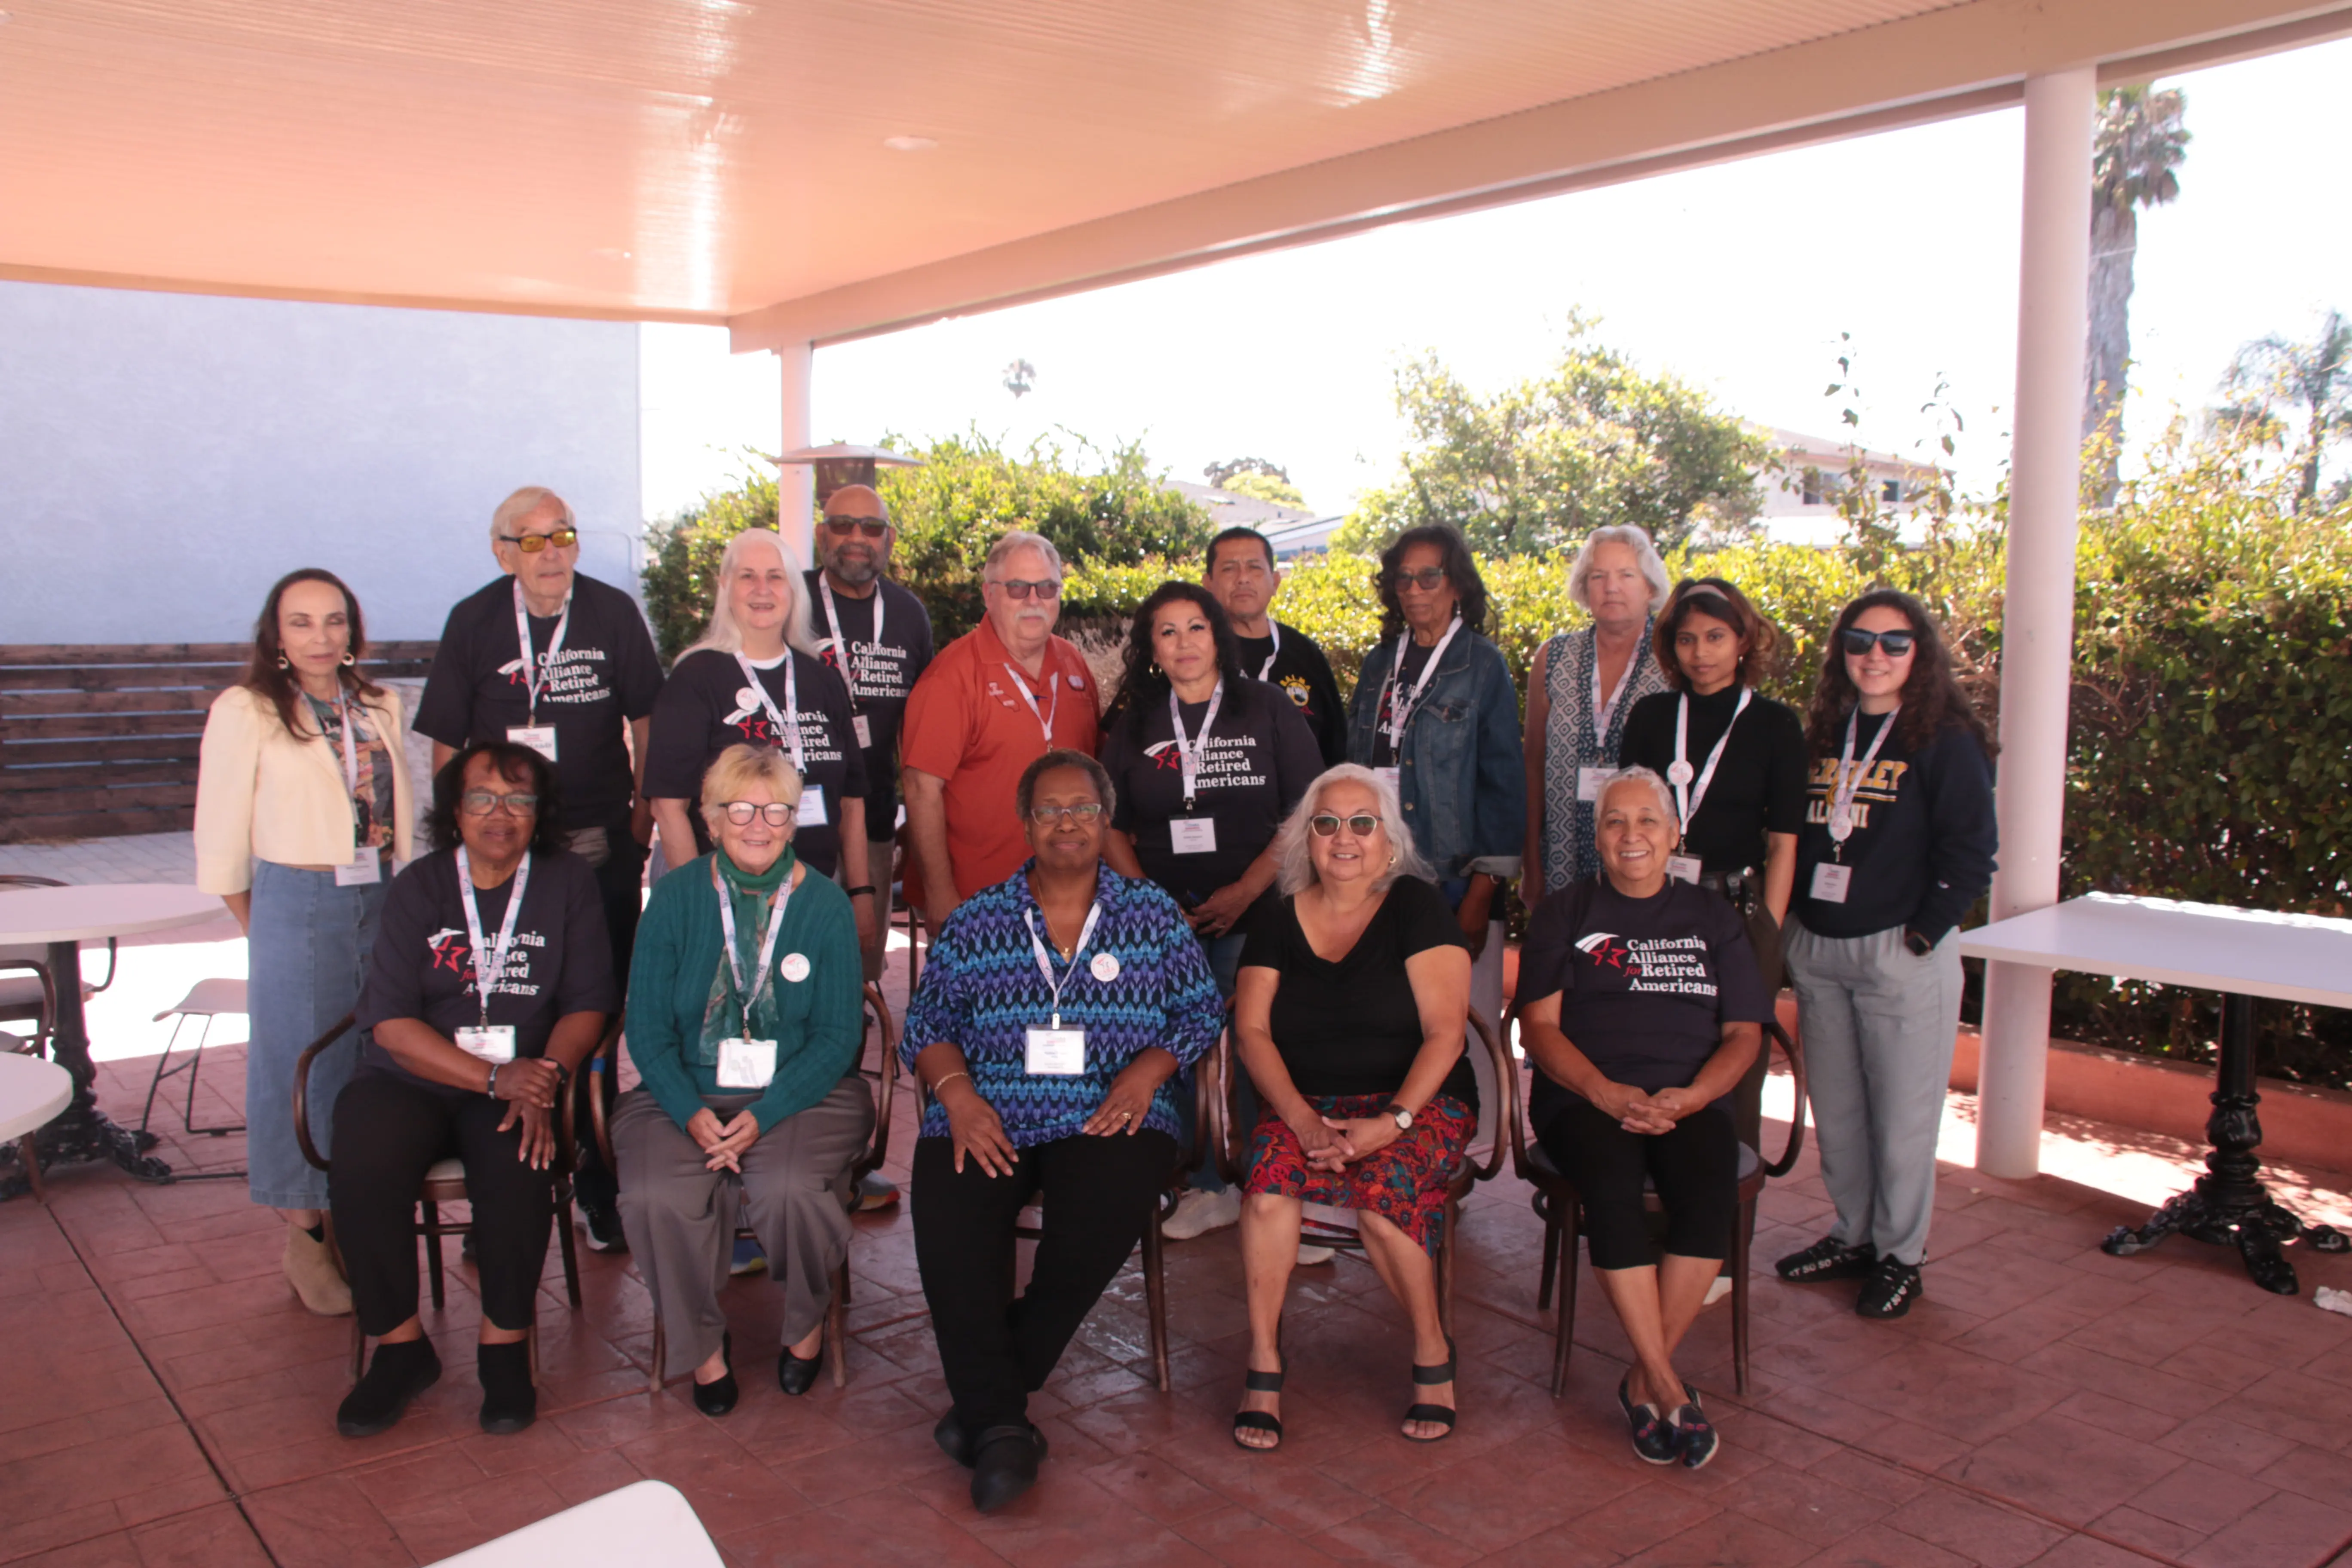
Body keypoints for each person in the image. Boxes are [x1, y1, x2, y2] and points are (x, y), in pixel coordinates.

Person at [900, 751, 1220, 1514]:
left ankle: (988, 1409)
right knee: (948, 1217)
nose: (1068, 821)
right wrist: (959, 1095)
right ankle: (1000, 1424)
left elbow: (1201, 1010)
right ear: (1027, 823)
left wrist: (1147, 1072)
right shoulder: (978, 920)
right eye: (1050, 809)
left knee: (1100, 1217)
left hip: (1111, 1107)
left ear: (1105, 819)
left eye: (1082, 807)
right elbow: (926, 1025)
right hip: (990, 1106)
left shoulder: (1150, 914)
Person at [330, 742, 615, 1438]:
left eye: (519, 800)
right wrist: (494, 1075)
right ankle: (399, 1348)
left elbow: (588, 1003)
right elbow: (392, 1025)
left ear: (539, 813)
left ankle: (504, 1346)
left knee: (519, 1161)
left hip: (522, 1076)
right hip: (417, 1075)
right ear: (454, 810)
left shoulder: (567, 880)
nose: (500, 814)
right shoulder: (420, 885)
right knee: (363, 1158)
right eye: (482, 797)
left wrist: (541, 1077)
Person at [413, 485, 664, 1252]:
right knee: (506, 1003)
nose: (551, 552)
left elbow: (647, 719)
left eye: (563, 535)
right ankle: (505, 1188)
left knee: (592, 1015)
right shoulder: (474, 619)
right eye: (532, 540)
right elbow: (448, 741)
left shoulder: (614, 613)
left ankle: (596, 1181)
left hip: (596, 841)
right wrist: (458, 836)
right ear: (502, 552)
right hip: (502, 847)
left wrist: (641, 817)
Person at [1513, 767, 1771, 1472]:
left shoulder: (1714, 918)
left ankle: (1641, 1376)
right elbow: (1537, 1026)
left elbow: (1744, 1034)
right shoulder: (1565, 912)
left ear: (1674, 832)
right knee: (1612, 1189)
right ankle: (1664, 1381)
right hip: (1583, 1096)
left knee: (1706, 1190)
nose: (1632, 836)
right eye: (1615, 822)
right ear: (1596, 836)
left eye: (1647, 821)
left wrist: (1689, 1099)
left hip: (1687, 1098)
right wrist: (1601, 1090)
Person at [612, 744, 870, 1412]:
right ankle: (701, 1349)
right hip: (685, 1091)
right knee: (651, 1196)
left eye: (777, 809)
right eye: (742, 809)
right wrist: (688, 1111)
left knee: (789, 1188)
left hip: (805, 1094)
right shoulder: (672, 898)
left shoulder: (826, 907)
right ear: (711, 818)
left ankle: (807, 1325)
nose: (760, 824)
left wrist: (767, 1111)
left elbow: (840, 1038)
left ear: (795, 819)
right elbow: (645, 1030)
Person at [1228, 766, 1476, 1452]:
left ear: (1388, 839)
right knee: (1269, 1192)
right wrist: (1303, 1122)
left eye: (1362, 823)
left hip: (1419, 1103)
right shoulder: (1278, 917)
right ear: (1306, 840)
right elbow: (1251, 1031)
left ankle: (1433, 1351)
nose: (1345, 838)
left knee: (1380, 1195)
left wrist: (1391, 1123)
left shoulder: (1416, 907)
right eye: (1327, 823)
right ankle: (1264, 1363)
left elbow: (1446, 1034)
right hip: (1307, 1104)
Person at [195, 569, 415, 1317]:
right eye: (302, 622)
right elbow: (220, 836)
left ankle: (352, 1213)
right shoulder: (249, 709)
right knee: (299, 1062)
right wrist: (265, 925)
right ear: (276, 634)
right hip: (296, 895)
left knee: (366, 1060)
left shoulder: (378, 703)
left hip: (378, 892)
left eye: (333, 620)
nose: (321, 637)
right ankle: (305, 1234)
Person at [1774, 591, 1997, 1319]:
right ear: (1840, 651)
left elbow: (1970, 851)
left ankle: (1902, 1255)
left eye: (1894, 643)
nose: (1875, 655)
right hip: (1820, 946)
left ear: (1919, 652)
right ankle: (1853, 1234)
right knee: (1837, 1111)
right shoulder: (1825, 732)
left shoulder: (1944, 738)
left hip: (1898, 949)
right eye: (1859, 640)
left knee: (1901, 1120)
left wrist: (1924, 933)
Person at [1095, 581, 1323, 1244]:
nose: (1184, 643)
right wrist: (1149, 902)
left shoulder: (1268, 707)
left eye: (1196, 627)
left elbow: (1303, 811)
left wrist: (1248, 889)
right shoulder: (1135, 722)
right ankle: (1201, 1186)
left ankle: (1274, 1194)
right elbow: (1110, 825)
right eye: (1168, 632)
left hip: (1258, 913)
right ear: (1152, 650)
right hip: (1168, 923)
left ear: (1217, 635)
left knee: (1260, 1049)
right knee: (1174, 1049)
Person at [1617, 577, 1806, 1148]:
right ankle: (1648, 1211)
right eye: (1687, 639)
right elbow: (1627, 819)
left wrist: (1768, 931)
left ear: (1744, 640)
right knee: (1653, 1048)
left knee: (1736, 1063)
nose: (1701, 653)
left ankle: (1726, 1215)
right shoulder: (1652, 716)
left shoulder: (1775, 724)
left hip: (1737, 911)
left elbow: (1784, 842)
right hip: (1654, 907)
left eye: (1716, 637)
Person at [1345, 523, 1523, 1122]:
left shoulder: (1482, 665)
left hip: (1449, 875)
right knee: (1385, 1019)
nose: (1416, 589)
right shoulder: (1377, 664)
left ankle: (1455, 1148)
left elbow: (1503, 785)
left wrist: (1482, 889)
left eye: (1430, 576)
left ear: (1457, 587)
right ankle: (1392, 1138)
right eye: (1405, 577)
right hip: (1375, 875)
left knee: (1451, 1022)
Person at [644, 528, 876, 952]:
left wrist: (860, 894)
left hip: (814, 892)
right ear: (726, 587)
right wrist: (701, 903)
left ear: (794, 589)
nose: (762, 590)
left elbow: (852, 801)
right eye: (748, 576)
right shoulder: (695, 678)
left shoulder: (823, 682)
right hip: (726, 898)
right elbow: (668, 805)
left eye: (776, 576)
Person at [900, 530, 1100, 927]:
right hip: (978, 902)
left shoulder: (1073, 663)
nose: (1033, 600)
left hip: (1067, 896)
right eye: (1017, 587)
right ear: (988, 594)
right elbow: (922, 789)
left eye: (1046, 587)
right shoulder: (951, 676)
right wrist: (941, 894)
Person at [803, 483, 936, 983]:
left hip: (876, 824)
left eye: (871, 527)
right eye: (842, 524)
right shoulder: (792, 599)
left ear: (890, 539)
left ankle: (853, 1061)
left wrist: (916, 819)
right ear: (822, 534)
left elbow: (918, 728)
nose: (857, 537)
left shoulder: (908, 614)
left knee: (859, 974)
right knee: (793, 968)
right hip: (790, 828)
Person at [1524, 526, 1673, 903]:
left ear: (1650, 588)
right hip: (1561, 863)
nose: (1611, 587)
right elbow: (1532, 764)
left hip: (1643, 866)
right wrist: (1531, 864)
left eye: (1626, 575)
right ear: (1584, 588)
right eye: (1598, 576)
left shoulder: (1674, 661)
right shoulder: (1553, 658)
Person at [1202, 526, 1347, 766]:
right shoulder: (1192, 653)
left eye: (1255, 567)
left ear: (1275, 581)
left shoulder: (1305, 653)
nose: (1243, 578)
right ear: (1207, 584)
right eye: (1229, 569)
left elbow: (1337, 748)